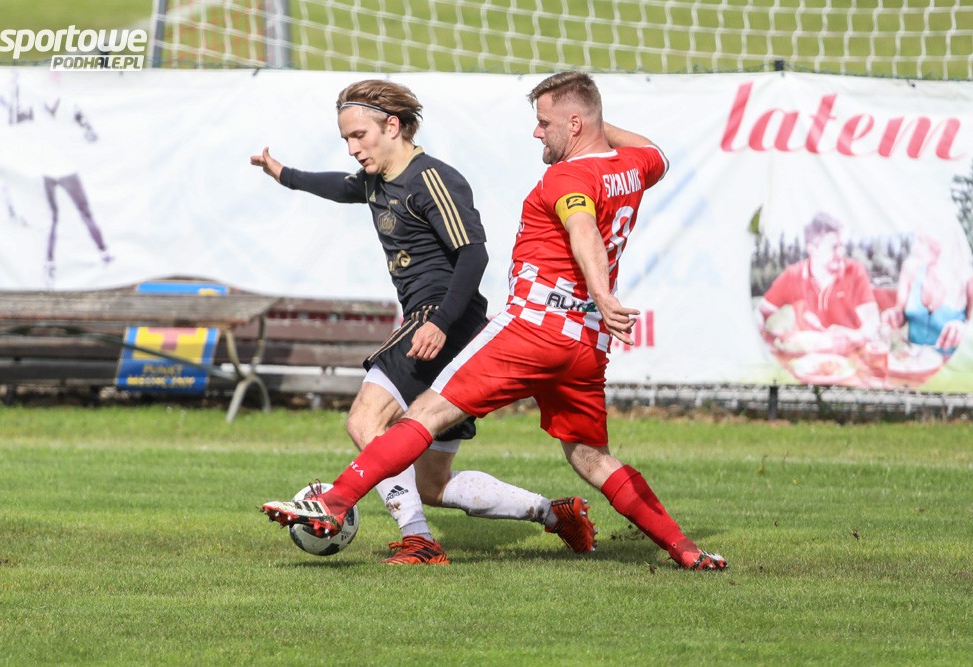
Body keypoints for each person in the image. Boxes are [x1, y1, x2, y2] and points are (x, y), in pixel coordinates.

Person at [262, 71, 728, 571]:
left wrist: (602, 292)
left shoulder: (565, 178)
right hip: (585, 342)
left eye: (544, 123)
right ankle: (686, 550)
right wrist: (591, 122)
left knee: (419, 415)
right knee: (589, 457)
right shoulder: (633, 167)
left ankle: (337, 502)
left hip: (534, 326)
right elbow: (655, 151)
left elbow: (581, 228)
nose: (536, 132)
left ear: (574, 124)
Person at [251, 79, 595, 565]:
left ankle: (418, 539)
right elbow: (340, 187)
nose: (352, 149)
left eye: (359, 136)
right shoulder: (375, 181)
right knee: (432, 484)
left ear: (392, 126)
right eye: (346, 139)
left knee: (365, 421)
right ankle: (554, 513)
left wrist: (440, 323)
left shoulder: (432, 178)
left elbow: (473, 255)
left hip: (441, 322)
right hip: (447, 328)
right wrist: (283, 173)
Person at [758, 212, 879, 356]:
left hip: (850, 358)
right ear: (812, 249)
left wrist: (854, 335)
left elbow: (872, 322)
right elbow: (761, 311)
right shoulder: (793, 275)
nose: (840, 253)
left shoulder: (854, 271)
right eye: (834, 247)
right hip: (806, 360)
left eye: (841, 246)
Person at [882, 231, 973, 355]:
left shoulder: (968, 279)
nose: (915, 247)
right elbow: (900, 313)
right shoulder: (910, 268)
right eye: (917, 240)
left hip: (951, 363)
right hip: (914, 360)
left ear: (945, 243)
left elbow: (970, 328)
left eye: (923, 241)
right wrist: (895, 316)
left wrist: (962, 329)